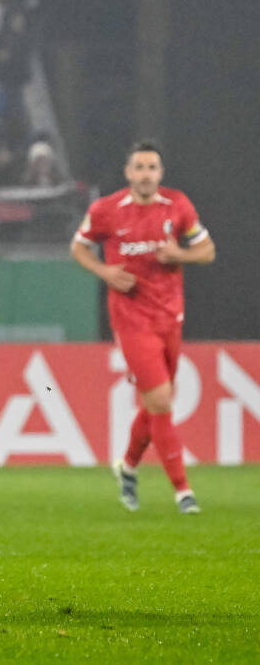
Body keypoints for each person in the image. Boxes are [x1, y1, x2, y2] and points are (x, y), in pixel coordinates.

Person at [70, 140, 215, 514]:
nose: (146, 174)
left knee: (156, 402)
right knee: (163, 401)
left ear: (160, 173)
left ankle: (128, 467)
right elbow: (79, 247)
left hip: (171, 316)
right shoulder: (107, 210)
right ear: (128, 172)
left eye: (152, 167)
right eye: (140, 167)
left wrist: (179, 254)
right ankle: (183, 492)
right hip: (131, 319)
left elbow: (207, 250)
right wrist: (104, 272)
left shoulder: (177, 206)